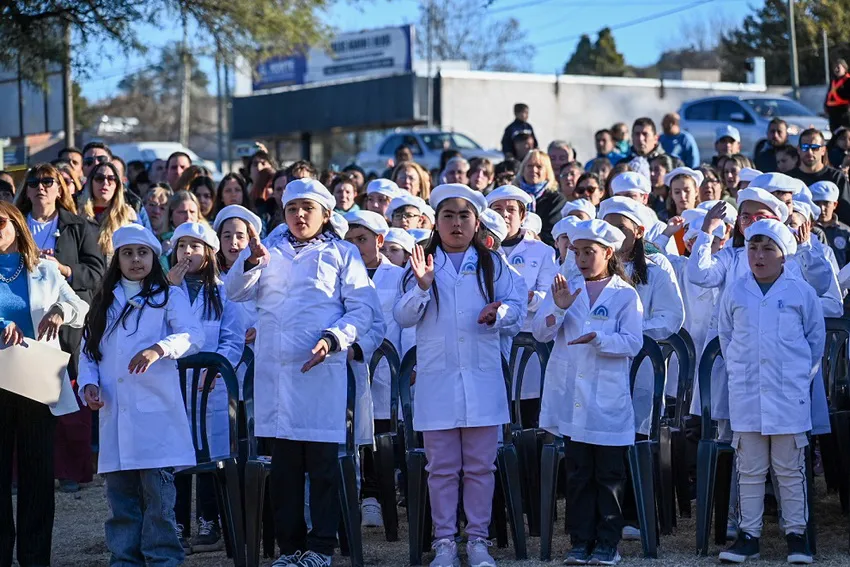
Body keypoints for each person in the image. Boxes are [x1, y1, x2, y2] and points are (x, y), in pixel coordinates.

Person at [224, 178, 380, 567]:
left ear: (326, 214)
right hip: (277, 380)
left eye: (307, 208)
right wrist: (251, 262)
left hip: (321, 375)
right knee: (285, 473)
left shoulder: (343, 254)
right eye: (292, 209)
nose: (298, 215)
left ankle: (321, 548)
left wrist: (333, 339)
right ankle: (290, 549)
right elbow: (235, 292)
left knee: (324, 469)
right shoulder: (268, 250)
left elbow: (363, 310)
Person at [394, 183, 525, 567]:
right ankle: (445, 543)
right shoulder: (420, 262)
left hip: (482, 381)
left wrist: (498, 313)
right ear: (436, 222)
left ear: (477, 221)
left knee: (482, 466)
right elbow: (402, 316)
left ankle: (479, 541)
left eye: (464, 215)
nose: (456, 223)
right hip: (437, 379)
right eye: (447, 215)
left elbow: (516, 307)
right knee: (443, 468)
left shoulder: (493, 263)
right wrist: (421, 288)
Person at [77, 223, 203, 567]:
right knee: (121, 501)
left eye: (143, 253)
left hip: (156, 417)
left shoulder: (169, 296)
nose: (136, 260)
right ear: (117, 259)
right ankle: (124, 560)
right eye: (128, 253)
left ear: (153, 258)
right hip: (115, 414)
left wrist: (159, 349)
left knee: (158, 500)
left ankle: (163, 559)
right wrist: (88, 384)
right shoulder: (104, 301)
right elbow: (89, 352)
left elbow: (194, 335)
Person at [532, 218, 642, 566]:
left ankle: (608, 543)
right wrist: (560, 307)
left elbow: (633, 342)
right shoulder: (566, 288)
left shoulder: (625, 295)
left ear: (608, 253)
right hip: (574, 400)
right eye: (576, 251)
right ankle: (580, 541)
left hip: (608, 401)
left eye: (589, 252)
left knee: (609, 476)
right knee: (578, 474)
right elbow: (541, 333)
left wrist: (601, 340)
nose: (580, 258)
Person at [716, 219, 823, 565]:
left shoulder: (800, 291)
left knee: (789, 468)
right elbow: (727, 336)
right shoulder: (736, 291)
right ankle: (749, 535)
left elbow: (814, 341)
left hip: (788, 395)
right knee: (749, 468)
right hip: (747, 393)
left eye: (767, 249)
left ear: (784, 255)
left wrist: (794, 379)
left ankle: (797, 534)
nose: (758, 256)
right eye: (752, 248)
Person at [0, 201, 90, 567]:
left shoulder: (44, 270)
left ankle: (35, 558)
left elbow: (80, 307)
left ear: (16, 225)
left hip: (36, 379)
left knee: (38, 475)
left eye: (1, 222)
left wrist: (59, 311)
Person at [16, 163, 106, 492]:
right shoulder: (14, 226)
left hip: (68, 324)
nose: (41, 187)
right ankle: (21, 474)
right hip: (22, 327)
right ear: (26, 190)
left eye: (48, 182)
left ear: (59, 189)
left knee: (68, 405)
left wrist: (62, 269)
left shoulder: (78, 225)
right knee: (23, 402)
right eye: (35, 182)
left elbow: (97, 274)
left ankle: (71, 471)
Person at [166, 222, 245, 554]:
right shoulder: (163, 289)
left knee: (212, 454)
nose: (187, 252)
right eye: (182, 245)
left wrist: (216, 367)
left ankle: (209, 522)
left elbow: (233, 339)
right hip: (172, 385)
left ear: (210, 253)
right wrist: (167, 287)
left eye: (195, 246)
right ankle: (177, 523)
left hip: (210, 390)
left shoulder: (226, 291)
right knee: (176, 457)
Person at [342, 210, 405, 528]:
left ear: (380, 240)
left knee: (384, 436)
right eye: (350, 240)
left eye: (362, 239)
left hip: (388, 373)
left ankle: (379, 497)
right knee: (357, 435)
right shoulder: (340, 275)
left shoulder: (399, 276)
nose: (356, 246)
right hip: (354, 369)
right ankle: (364, 497)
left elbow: (405, 326)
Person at [486, 185, 558, 427]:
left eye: (511, 210)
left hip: (529, 343)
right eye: (497, 209)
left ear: (523, 216)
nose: (504, 214)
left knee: (527, 412)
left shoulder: (542, 251)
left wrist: (527, 298)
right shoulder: (481, 251)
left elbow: (549, 295)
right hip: (490, 340)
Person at [78, 161, 138, 261]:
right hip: (87, 272)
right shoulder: (77, 213)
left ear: (117, 185)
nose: (105, 183)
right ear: (91, 182)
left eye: (111, 179)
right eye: (99, 178)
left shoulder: (128, 215)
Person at [514, 149, 567, 246]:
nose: (534, 170)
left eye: (539, 167)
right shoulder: (513, 196)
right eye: (529, 166)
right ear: (523, 169)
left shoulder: (556, 199)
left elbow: (552, 233)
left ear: (547, 171)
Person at [663, 167, 702, 255]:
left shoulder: (705, 220)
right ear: (671, 194)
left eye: (687, 191)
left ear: (696, 191)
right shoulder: (664, 221)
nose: (682, 196)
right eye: (677, 192)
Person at [811, 180, 850, 267]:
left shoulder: (845, 231)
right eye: (817, 203)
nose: (822, 208)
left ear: (835, 204)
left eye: (826, 203)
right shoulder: (808, 229)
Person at [825, 58, 850, 133]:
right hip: (833, 113)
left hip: (844, 112)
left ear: (844, 68)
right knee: (835, 134)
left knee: (846, 133)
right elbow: (829, 95)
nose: (836, 69)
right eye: (835, 67)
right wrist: (826, 106)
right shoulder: (833, 81)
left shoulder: (848, 80)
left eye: (838, 67)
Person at [649, 155, 675, 221]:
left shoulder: (675, 199)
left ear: (667, 173)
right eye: (651, 169)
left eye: (657, 170)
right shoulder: (646, 198)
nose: (652, 174)